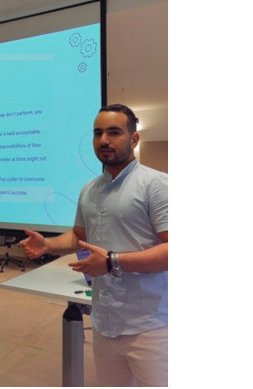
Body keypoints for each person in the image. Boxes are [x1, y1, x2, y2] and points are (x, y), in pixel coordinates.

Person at [19, 104, 168, 387]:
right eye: (98, 133)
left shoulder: (156, 185)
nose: (104, 141)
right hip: (104, 323)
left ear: (134, 139)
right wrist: (47, 244)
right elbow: (79, 237)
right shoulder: (90, 189)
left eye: (114, 132)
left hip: (151, 326)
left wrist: (112, 261)